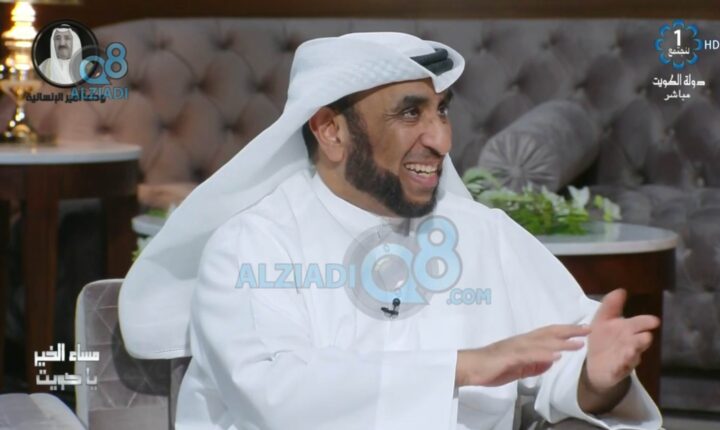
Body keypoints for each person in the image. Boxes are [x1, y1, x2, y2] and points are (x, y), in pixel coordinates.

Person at [120, 32, 662, 430]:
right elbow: (278, 397)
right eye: (410, 114)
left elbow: (563, 356)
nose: (441, 140)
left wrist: (594, 379)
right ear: (331, 130)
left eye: (441, 112)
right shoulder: (253, 247)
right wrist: (463, 367)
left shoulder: (480, 234)